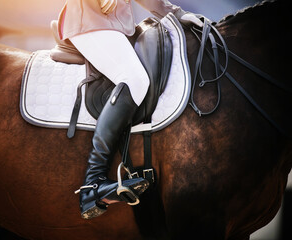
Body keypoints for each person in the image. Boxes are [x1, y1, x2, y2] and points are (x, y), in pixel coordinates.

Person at [56, 0, 203, 219]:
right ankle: (93, 183)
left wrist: (177, 13)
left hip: (119, 25)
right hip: (88, 21)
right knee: (134, 79)